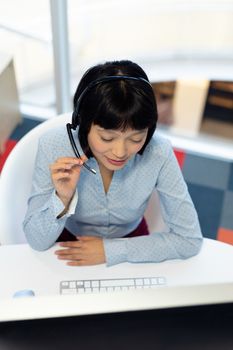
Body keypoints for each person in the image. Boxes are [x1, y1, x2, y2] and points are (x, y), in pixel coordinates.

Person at [23, 60, 203, 267]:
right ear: (82, 123)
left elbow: (190, 240)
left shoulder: (159, 151)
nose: (120, 152)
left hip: (132, 240)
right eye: (107, 138)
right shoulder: (54, 145)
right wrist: (62, 198)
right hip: (68, 241)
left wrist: (110, 250)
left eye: (136, 139)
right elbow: (36, 241)